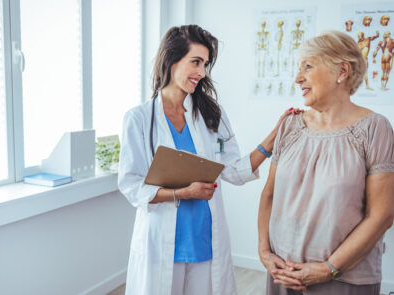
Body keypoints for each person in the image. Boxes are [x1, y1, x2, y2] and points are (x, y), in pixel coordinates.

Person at [118, 25, 299, 295]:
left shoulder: (211, 113)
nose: (202, 73)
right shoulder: (139, 119)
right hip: (161, 240)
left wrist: (274, 135)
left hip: (204, 238)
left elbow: (234, 171)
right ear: (171, 59)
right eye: (195, 62)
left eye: (205, 64)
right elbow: (131, 184)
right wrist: (183, 192)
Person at [258, 30, 394, 295]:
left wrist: (329, 268)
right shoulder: (289, 125)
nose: (298, 78)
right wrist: (264, 253)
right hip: (282, 275)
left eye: (307, 67)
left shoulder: (375, 129)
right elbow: (269, 195)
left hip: (343, 280)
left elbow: (382, 215)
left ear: (341, 71)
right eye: (299, 69)